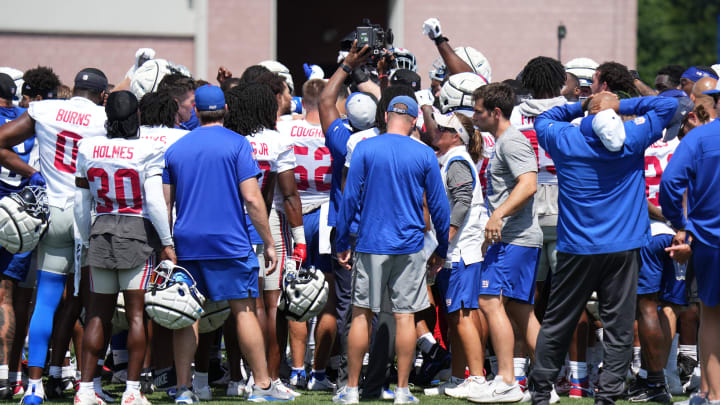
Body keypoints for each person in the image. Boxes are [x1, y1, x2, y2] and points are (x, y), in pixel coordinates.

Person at [529, 92, 677, 405]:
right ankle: (608, 395)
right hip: (624, 247)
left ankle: (540, 392)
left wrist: (585, 105)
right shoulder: (632, 140)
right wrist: (619, 105)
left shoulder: (566, 140)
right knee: (618, 326)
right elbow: (668, 104)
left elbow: (543, 119)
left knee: (558, 321)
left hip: (577, 248)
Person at [163, 85, 290, 403]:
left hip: (187, 240)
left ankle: (183, 388)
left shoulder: (177, 148)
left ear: (195, 111)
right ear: (225, 110)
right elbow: (252, 198)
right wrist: (270, 243)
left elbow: (165, 204)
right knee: (244, 310)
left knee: (187, 313)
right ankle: (262, 385)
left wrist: (167, 243)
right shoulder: (238, 144)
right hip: (230, 241)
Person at [0, 67, 110, 405]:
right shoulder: (105, 117)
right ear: (102, 95)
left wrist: (34, 173)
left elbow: (1, 141)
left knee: (45, 299)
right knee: (95, 304)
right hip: (90, 214)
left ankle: (33, 387)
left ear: (74, 88)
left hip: (54, 210)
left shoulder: (45, 109)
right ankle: (87, 386)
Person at [333, 96, 450, 404]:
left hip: (371, 243)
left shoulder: (366, 148)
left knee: (361, 314)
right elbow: (439, 207)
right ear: (414, 121)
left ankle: (351, 390)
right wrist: (443, 248)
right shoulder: (424, 153)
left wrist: (342, 241)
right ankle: (401, 390)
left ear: (385, 116)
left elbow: (349, 200)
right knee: (405, 317)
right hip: (409, 245)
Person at [73, 91, 174, 405]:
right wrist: (167, 242)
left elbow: (81, 201)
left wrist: (82, 238)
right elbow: (156, 202)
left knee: (96, 316)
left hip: (101, 227)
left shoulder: (88, 146)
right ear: (137, 117)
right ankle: (131, 391)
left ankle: (86, 390)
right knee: (135, 317)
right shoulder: (149, 148)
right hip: (135, 230)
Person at [223, 82, 304, 397]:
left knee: (236, 307)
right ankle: (269, 377)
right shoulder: (276, 141)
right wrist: (300, 240)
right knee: (271, 307)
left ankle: (234, 377)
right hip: (266, 223)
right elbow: (290, 194)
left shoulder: (228, 140)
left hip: (228, 223)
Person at [470, 82, 542, 403]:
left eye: (478, 111)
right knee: (521, 310)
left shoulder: (512, 142)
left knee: (488, 301)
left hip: (514, 238)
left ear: (496, 113)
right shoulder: (504, 141)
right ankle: (545, 384)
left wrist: (497, 215)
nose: (474, 117)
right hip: (516, 238)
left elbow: (528, 184)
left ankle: (507, 379)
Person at [660, 88, 720, 405]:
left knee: (711, 316)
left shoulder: (700, 138)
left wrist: (679, 222)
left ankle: (712, 394)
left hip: (710, 239)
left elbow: (670, 183)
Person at [428, 112, 488, 399]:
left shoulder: (457, 160)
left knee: (463, 315)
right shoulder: (452, 158)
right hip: (456, 251)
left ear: (456, 137)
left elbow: (462, 203)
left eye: (444, 128)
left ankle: (476, 378)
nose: (437, 130)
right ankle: (457, 376)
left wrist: (444, 241)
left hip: (460, 251)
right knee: (455, 318)